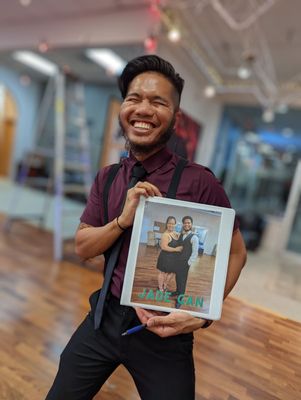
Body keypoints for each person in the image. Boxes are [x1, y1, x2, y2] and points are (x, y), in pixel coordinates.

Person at [46, 54, 247, 400]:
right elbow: (83, 246)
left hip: (164, 333)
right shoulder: (107, 178)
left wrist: (202, 317)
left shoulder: (200, 182)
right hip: (103, 320)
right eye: (134, 98)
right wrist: (122, 221)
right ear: (123, 107)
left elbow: (237, 253)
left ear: (175, 118)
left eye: (158, 102)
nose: (143, 109)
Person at [171, 216, 199, 308]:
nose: (187, 224)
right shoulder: (182, 234)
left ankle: (180, 298)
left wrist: (189, 263)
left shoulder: (194, 237)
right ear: (183, 224)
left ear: (191, 224)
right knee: (178, 277)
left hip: (185, 263)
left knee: (183, 280)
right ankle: (177, 291)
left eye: (189, 223)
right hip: (177, 261)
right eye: (185, 223)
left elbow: (195, 252)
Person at [156, 216, 183, 292]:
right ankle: (160, 287)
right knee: (163, 273)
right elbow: (164, 247)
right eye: (169, 223)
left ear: (175, 224)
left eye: (173, 223)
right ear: (167, 224)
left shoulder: (174, 233)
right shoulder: (165, 235)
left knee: (172, 273)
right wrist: (176, 249)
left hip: (173, 258)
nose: (171, 225)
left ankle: (165, 284)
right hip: (165, 257)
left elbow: (182, 236)